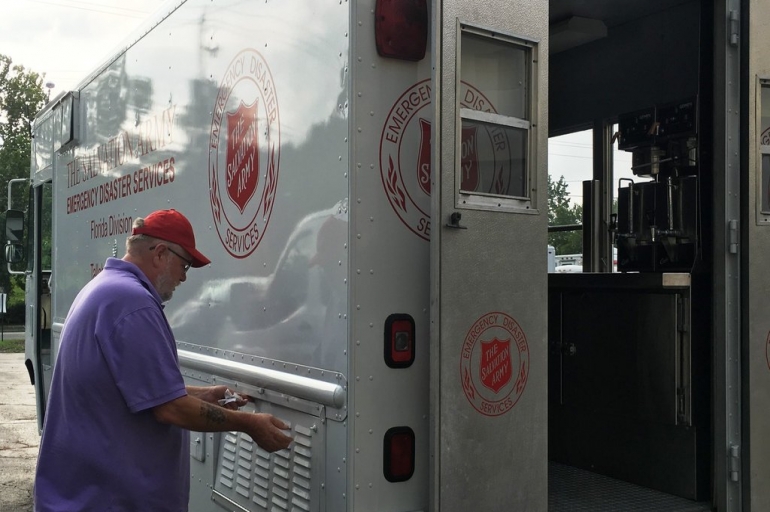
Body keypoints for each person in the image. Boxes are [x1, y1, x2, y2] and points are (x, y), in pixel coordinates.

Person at [33, 209, 292, 512]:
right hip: (108, 501)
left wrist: (206, 394)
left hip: (85, 497)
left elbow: (133, 390)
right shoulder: (133, 304)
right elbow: (169, 408)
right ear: (159, 254)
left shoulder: (106, 289)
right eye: (184, 265)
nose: (183, 276)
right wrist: (249, 424)